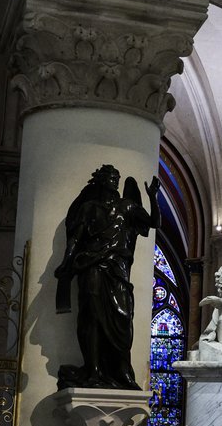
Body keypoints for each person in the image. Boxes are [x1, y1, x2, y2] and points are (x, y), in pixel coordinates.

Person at [54, 165, 157, 389]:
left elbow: (153, 223)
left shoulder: (127, 206)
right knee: (91, 317)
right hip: (92, 266)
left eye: (116, 177)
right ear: (101, 180)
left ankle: (122, 372)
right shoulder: (88, 208)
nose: (114, 180)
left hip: (117, 269)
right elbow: (75, 239)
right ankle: (93, 371)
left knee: (122, 318)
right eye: (110, 177)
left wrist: (153, 197)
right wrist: (66, 262)